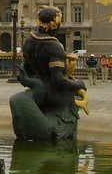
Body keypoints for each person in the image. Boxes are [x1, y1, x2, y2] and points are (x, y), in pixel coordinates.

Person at [10, 7, 88, 141]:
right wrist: (79, 84)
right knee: (65, 145)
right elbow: (58, 80)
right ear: (53, 24)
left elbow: (27, 72)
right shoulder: (54, 46)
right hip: (60, 104)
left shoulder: (28, 41)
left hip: (42, 100)